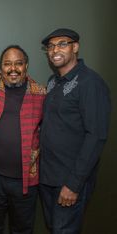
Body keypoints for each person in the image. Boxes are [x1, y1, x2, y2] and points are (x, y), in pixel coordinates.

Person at [39, 28, 111, 234]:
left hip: (69, 181)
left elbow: (96, 136)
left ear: (75, 47)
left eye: (62, 44)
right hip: (48, 178)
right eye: (50, 47)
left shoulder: (90, 83)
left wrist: (73, 184)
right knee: (54, 228)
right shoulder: (53, 82)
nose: (54, 50)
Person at [0, 45, 46, 234]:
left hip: (25, 181)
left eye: (18, 64)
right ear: (1, 68)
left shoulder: (41, 94)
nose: (13, 69)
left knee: (22, 229)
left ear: (26, 66)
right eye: (7, 64)